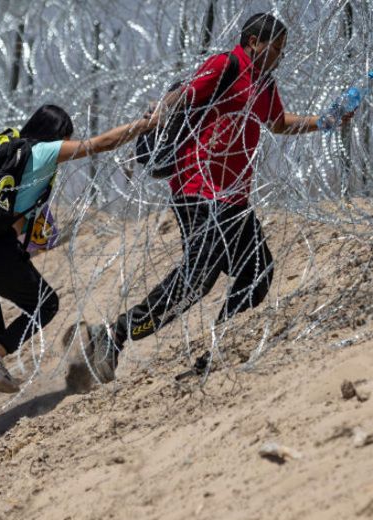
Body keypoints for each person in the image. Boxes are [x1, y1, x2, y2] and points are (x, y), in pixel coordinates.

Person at [79, 13, 352, 382]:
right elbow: (185, 94)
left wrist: (323, 122)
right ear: (253, 41)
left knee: (257, 272)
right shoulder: (227, 64)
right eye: (276, 49)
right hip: (198, 189)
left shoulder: (265, 83)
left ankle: (221, 346)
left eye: (283, 51)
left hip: (234, 197)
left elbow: (277, 123)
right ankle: (115, 334)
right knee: (199, 275)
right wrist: (157, 114)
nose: (280, 57)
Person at [0, 104, 156, 440]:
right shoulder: (41, 151)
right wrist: (147, 124)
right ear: (59, 135)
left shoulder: (5, 153)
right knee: (46, 304)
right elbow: (100, 144)